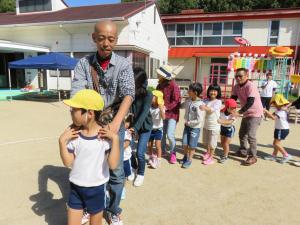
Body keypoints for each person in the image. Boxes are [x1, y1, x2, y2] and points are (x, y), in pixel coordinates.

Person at [71, 20, 135, 225]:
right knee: (87, 167)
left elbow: (128, 95)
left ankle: (114, 209)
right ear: (94, 38)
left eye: (111, 39)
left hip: (113, 121)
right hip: (89, 121)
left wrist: (116, 124)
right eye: (101, 38)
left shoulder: (124, 64)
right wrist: (81, 122)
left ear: (116, 40)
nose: (106, 43)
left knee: (115, 170)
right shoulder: (83, 64)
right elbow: (77, 94)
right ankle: (91, 207)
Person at [59, 89, 120, 225]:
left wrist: (115, 139)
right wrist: (62, 142)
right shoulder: (73, 134)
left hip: (96, 188)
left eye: (74, 109)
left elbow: (113, 165)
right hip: (76, 187)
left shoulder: (104, 136)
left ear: (89, 113)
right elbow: (68, 162)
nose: (71, 112)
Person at [231, 68, 264, 166]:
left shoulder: (250, 86)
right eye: (236, 76)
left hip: (255, 113)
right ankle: (243, 151)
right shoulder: (236, 86)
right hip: (246, 113)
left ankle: (253, 156)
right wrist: (228, 109)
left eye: (240, 76)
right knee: (242, 134)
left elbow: (250, 101)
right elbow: (233, 99)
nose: (238, 78)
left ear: (246, 76)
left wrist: (239, 112)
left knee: (251, 135)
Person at [130, 68, 153, 187]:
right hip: (132, 126)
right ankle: (133, 168)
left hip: (145, 126)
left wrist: (135, 128)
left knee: (140, 153)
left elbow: (144, 112)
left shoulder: (148, 93)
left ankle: (141, 173)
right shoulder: (130, 92)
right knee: (129, 150)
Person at [156, 65, 181, 164]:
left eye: (160, 74)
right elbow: (157, 97)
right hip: (162, 113)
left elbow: (177, 100)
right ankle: (162, 150)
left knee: (170, 135)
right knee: (162, 134)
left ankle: (173, 152)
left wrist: (166, 107)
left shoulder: (173, 85)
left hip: (172, 114)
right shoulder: (160, 85)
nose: (158, 75)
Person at [181, 83, 205, 168]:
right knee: (184, 143)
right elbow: (182, 106)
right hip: (187, 127)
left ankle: (189, 160)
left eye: (189, 90)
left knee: (192, 145)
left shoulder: (200, 104)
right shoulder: (189, 100)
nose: (188, 91)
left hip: (195, 128)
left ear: (195, 92)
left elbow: (199, 119)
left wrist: (190, 122)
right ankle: (185, 156)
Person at [263, 94, 292, 163]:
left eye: (275, 104)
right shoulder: (278, 111)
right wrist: (265, 113)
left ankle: (286, 155)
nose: (274, 105)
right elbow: (271, 116)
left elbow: (273, 118)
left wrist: (266, 111)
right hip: (279, 129)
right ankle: (274, 156)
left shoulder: (281, 112)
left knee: (276, 143)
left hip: (282, 130)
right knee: (275, 143)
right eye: (274, 104)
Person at [201, 84, 222, 165]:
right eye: (211, 90)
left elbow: (211, 110)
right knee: (206, 141)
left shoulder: (218, 101)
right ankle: (208, 152)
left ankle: (211, 158)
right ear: (208, 91)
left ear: (218, 92)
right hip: (206, 124)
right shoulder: (206, 100)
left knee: (212, 143)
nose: (213, 92)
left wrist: (204, 107)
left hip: (214, 126)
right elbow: (200, 104)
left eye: (215, 91)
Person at [148, 90, 165, 169]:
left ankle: (158, 160)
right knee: (149, 145)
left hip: (158, 129)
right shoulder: (149, 106)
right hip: (151, 129)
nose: (151, 97)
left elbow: (164, 117)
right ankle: (151, 157)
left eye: (153, 96)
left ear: (158, 98)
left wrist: (161, 109)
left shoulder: (161, 107)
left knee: (158, 145)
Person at [217, 98, 237, 164]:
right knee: (222, 143)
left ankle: (225, 156)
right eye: (232, 108)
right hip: (223, 128)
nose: (233, 109)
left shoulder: (233, 114)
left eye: (235, 108)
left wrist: (221, 121)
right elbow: (217, 116)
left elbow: (229, 122)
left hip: (230, 129)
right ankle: (225, 152)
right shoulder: (221, 112)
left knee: (226, 143)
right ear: (227, 107)